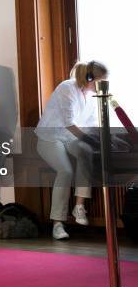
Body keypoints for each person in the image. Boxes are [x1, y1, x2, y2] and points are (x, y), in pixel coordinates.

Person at [35, 60, 108, 239]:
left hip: (71, 138)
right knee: (66, 171)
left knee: (87, 152)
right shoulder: (66, 88)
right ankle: (57, 224)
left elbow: (91, 124)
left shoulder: (92, 96)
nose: (103, 85)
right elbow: (69, 123)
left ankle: (79, 206)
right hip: (49, 137)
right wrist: (89, 139)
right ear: (90, 78)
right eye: (101, 81)